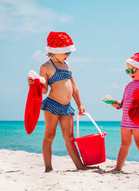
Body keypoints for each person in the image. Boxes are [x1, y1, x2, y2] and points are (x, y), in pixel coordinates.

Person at [28, 31, 87, 172]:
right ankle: (48, 168)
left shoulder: (67, 66)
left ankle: (80, 166)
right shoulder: (46, 67)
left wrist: (79, 104)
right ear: (55, 51)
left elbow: (74, 86)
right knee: (49, 136)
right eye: (66, 52)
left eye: (69, 53)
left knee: (70, 138)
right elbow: (44, 90)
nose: (67, 55)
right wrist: (34, 84)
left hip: (67, 107)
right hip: (52, 105)